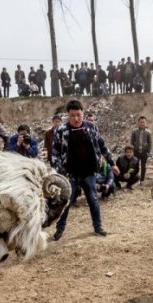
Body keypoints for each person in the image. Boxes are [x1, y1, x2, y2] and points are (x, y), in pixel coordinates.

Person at [51, 99, 113, 240]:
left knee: (93, 200)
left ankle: (98, 227)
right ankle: (59, 229)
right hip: (70, 174)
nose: (76, 118)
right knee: (65, 203)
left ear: (83, 113)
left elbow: (102, 146)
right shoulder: (61, 131)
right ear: (67, 115)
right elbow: (54, 154)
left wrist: (112, 162)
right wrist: (60, 173)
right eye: (72, 115)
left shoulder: (91, 128)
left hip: (89, 172)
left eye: (78, 115)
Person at [130, 116, 152, 184]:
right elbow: (132, 142)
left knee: (143, 166)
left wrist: (148, 152)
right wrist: (132, 151)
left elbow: (150, 143)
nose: (142, 123)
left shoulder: (148, 133)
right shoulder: (134, 132)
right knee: (135, 165)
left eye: (143, 122)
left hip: (144, 152)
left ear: (146, 123)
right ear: (138, 123)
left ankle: (142, 180)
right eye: (140, 122)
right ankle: (134, 179)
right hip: (136, 151)